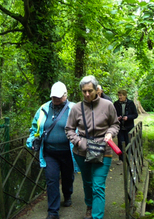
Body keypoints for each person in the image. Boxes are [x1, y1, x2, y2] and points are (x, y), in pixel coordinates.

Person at [65, 75, 120, 219]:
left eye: (90, 90)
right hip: (82, 152)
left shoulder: (108, 105)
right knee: (87, 182)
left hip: (104, 150)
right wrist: (78, 142)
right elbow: (69, 129)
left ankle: (96, 216)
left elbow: (115, 124)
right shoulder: (76, 108)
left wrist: (110, 133)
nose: (87, 94)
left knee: (98, 186)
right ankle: (89, 206)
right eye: (84, 91)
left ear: (97, 89)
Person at [26, 81, 79, 219]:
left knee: (68, 178)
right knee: (51, 180)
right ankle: (53, 212)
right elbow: (34, 129)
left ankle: (67, 194)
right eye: (53, 96)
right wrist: (32, 140)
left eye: (58, 96)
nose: (55, 99)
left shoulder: (73, 108)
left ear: (65, 95)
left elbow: (82, 127)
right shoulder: (43, 109)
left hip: (68, 153)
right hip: (49, 153)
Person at [113, 89, 138, 165]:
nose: (119, 97)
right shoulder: (116, 104)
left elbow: (135, 114)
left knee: (128, 142)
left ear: (125, 96)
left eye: (121, 95)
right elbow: (113, 114)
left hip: (129, 127)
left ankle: (128, 158)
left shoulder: (130, 103)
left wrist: (128, 117)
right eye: (118, 95)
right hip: (120, 127)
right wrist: (117, 118)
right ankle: (121, 159)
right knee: (120, 143)